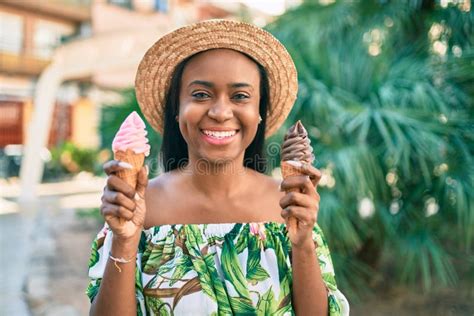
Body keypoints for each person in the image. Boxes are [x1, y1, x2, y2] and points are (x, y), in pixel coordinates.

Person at [86, 19, 349, 315]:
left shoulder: (289, 205)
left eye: (240, 96)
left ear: (259, 112)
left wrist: (302, 245)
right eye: (200, 94)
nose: (221, 112)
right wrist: (124, 242)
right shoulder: (138, 207)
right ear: (177, 109)